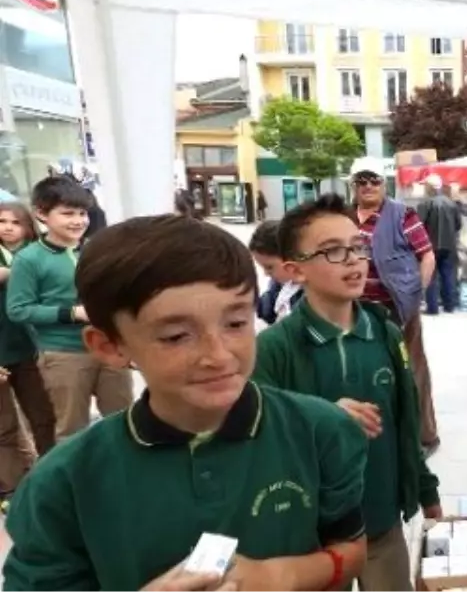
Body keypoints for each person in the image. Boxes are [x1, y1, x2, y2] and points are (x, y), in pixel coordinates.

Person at [2, 215, 369, 590]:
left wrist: (276, 576)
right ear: (109, 345)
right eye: (177, 336)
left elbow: (350, 545)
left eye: (236, 323)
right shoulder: (64, 482)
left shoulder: (320, 431)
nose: (219, 355)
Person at [255, 194, 441, 592]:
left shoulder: (386, 333)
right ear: (294, 270)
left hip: (382, 522)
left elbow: (406, 422)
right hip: (313, 542)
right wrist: (319, 418)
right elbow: (256, 439)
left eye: (358, 247)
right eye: (333, 251)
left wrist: (427, 493)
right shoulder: (274, 348)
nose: (355, 260)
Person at [7, 176, 133, 441]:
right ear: (42, 213)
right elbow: (18, 309)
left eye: (82, 213)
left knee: (124, 421)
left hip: (110, 347)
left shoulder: (97, 250)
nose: (78, 220)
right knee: (71, 430)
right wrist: (71, 313)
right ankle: (76, 481)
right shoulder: (28, 259)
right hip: (64, 354)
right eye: (67, 213)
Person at [346, 157, 440, 454]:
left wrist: (416, 293)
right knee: (361, 372)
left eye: (374, 180)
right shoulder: (344, 217)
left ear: (383, 183)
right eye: (362, 180)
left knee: (412, 371)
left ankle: (425, 436)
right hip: (354, 311)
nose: (369, 186)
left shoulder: (402, 215)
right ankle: (374, 436)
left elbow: (427, 254)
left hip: (397, 309)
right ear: (354, 185)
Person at [0, 203, 55, 507]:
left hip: (34, 350)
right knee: (4, 426)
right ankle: (13, 489)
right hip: (2, 351)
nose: (7, 227)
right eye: (1, 221)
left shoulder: (38, 255)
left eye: (15, 221)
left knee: (44, 418)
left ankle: (50, 478)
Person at [417, 174, 462, 314]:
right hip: (449, 245)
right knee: (448, 274)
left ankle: (432, 307)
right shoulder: (451, 204)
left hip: (430, 245)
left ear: (429, 187)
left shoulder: (424, 204)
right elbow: (458, 224)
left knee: (431, 275)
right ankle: (449, 305)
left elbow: (419, 226)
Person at [249, 220, 303, 325]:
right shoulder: (279, 285)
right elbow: (266, 308)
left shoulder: (313, 293)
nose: (266, 273)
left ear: (291, 258)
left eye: (269, 267)